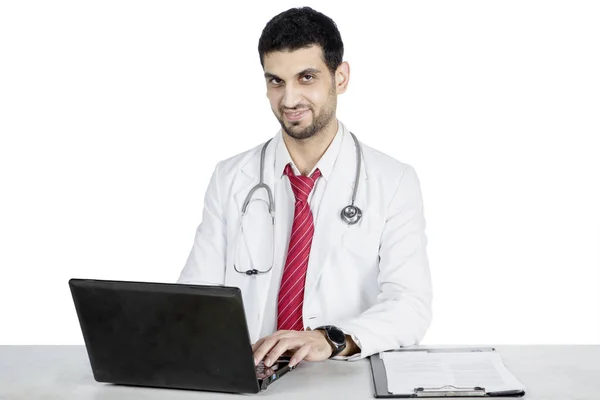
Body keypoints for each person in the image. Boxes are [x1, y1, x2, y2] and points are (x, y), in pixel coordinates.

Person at [177, 6, 432, 368]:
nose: (289, 99)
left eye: (307, 77)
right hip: (251, 377)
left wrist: (329, 339)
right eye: (276, 81)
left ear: (340, 78)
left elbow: (410, 306)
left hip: (343, 376)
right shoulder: (230, 177)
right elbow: (194, 298)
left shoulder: (393, 181)